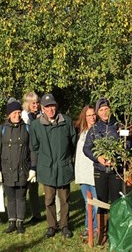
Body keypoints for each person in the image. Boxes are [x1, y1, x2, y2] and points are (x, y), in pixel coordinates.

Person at [30, 93, 77, 238]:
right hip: (47, 168)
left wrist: (67, 158)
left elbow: (73, 142)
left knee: (64, 199)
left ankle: (64, 225)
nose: (51, 110)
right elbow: (35, 146)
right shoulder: (36, 125)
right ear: (42, 108)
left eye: (52, 106)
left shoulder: (66, 122)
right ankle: (51, 226)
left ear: (56, 107)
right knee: (49, 199)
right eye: (47, 107)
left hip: (63, 166)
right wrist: (43, 160)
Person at [84, 98, 129, 244]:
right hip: (100, 171)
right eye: (101, 110)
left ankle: (116, 233)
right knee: (101, 201)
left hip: (116, 170)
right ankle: (102, 234)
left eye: (106, 109)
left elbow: (128, 143)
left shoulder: (119, 126)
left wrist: (120, 152)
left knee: (117, 201)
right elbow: (86, 148)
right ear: (97, 112)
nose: (104, 112)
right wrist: (98, 158)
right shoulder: (95, 129)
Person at [0, 100, 36, 234]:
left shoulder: (27, 128)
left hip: (23, 168)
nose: (17, 115)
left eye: (18, 113)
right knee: (10, 197)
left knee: (21, 196)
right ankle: (12, 222)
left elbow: (32, 149)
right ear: (9, 115)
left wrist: (33, 168)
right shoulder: (2, 129)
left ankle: (20, 222)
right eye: (14, 113)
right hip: (7, 169)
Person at [74, 105, 98, 239]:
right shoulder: (82, 132)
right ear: (85, 117)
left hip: (93, 172)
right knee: (87, 202)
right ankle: (88, 226)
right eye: (89, 115)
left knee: (94, 202)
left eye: (93, 114)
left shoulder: (99, 131)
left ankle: (95, 228)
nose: (92, 117)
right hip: (82, 173)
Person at [21, 91, 43, 224]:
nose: (36, 105)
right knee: (32, 187)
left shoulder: (42, 115)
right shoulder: (24, 118)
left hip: (42, 153)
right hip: (28, 155)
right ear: (28, 104)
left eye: (37, 102)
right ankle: (35, 213)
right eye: (33, 103)